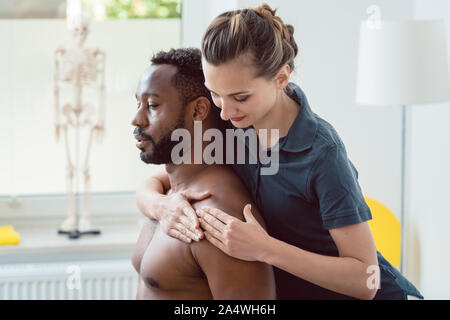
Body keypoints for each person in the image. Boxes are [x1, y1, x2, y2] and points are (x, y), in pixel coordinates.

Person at [136, 4, 423, 300]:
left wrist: (265, 248)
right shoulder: (234, 123)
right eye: (215, 93)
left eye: (240, 97)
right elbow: (157, 182)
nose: (224, 111)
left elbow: (366, 281)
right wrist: (162, 207)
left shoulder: (322, 155)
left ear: (281, 77)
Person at [131, 48, 276, 300]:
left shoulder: (219, 215)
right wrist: (159, 205)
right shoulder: (169, 194)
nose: (136, 119)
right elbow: (148, 186)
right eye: (138, 104)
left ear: (198, 111)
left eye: (152, 105)